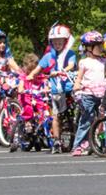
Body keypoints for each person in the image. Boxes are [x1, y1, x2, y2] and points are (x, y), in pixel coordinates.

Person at [30, 23, 76, 154]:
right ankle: (56, 140)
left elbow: (72, 65)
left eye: (60, 41)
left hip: (69, 87)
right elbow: (38, 69)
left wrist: (63, 70)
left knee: (75, 112)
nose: (57, 44)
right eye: (54, 41)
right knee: (56, 115)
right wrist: (30, 75)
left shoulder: (70, 53)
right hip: (57, 90)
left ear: (66, 41)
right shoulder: (48, 56)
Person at [70, 31, 106, 156]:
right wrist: (77, 86)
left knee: (104, 119)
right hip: (88, 94)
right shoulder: (84, 62)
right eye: (98, 46)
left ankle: (104, 143)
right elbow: (79, 78)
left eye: (101, 45)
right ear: (89, 48)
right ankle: (78, 145)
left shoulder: (105, 61)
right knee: (87, 119)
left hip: (103, 94)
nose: (101, 48)